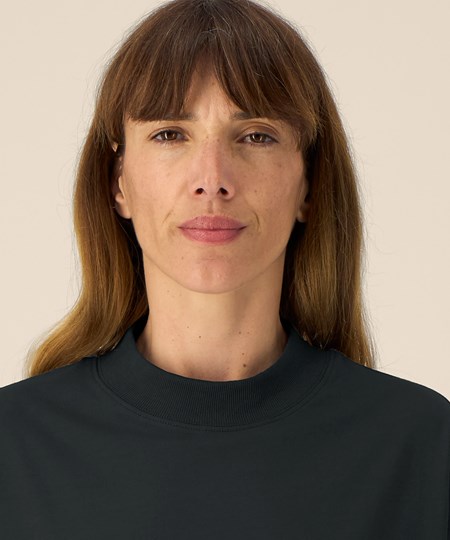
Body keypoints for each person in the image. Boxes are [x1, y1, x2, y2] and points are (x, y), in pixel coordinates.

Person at [1, 0, 449, 538]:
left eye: (256, 135)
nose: (212, 179)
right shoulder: (15, 446)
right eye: (170, 134)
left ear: (309, 183)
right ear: (117, 182)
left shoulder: (420, 446)